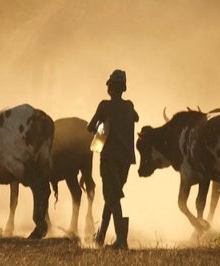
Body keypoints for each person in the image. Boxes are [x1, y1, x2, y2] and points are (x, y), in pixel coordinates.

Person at [88, 69, 138, 249]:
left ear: (110, 88)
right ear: (123, 88)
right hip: (126, 160)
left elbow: (89, 127)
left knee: (112, 197)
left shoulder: (105, 106)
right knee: (112, 196)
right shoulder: (129, 106)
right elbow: (136, 117)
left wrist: (100, 126)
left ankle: (121, 240)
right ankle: (100, 236)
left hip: (109, 157)